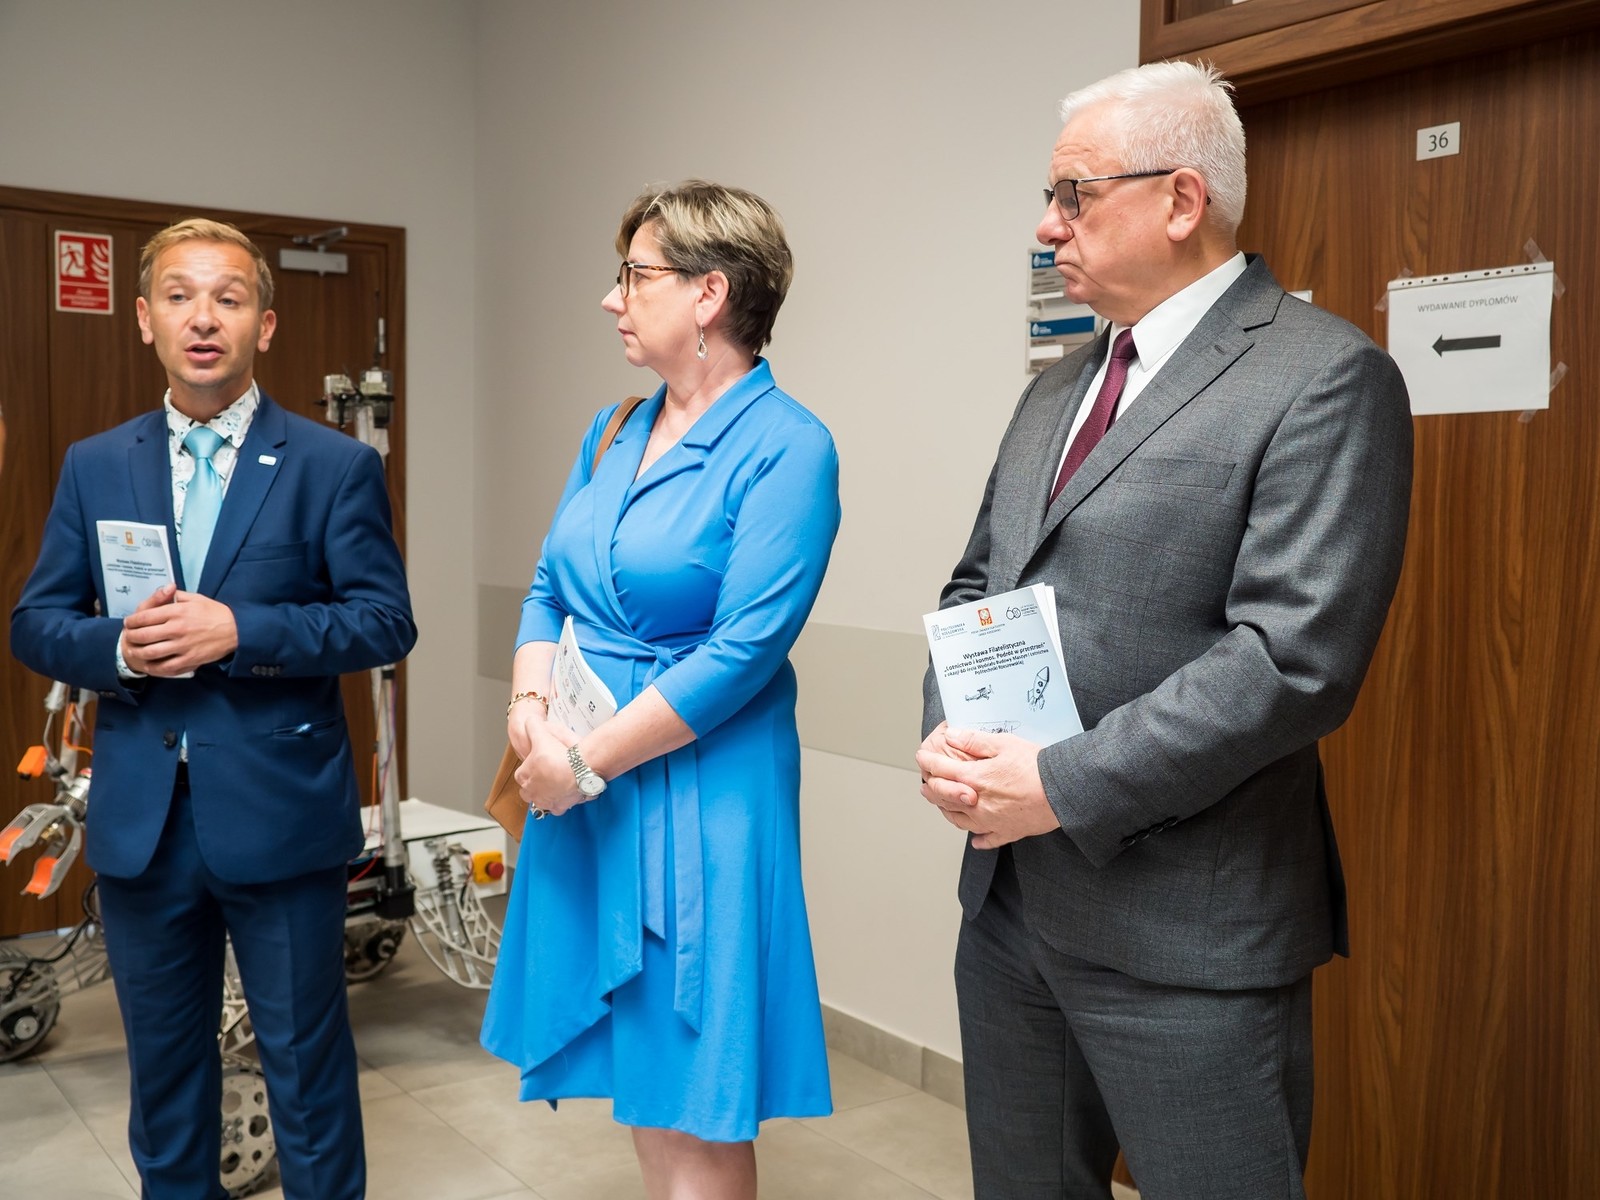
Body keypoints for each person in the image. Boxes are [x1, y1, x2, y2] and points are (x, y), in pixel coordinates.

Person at [917, 62, 1413, 1200]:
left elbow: (1291, 661)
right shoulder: (1057, 390)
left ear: (1182, 200)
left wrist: (1061, 784)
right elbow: (978, 582)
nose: (1048, 227)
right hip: (1010, 914)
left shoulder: (1323, 377)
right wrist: (954, 736)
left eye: (1074, 195)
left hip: (1188, 933)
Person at [10, 218, 416, 1200]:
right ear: (143, 319)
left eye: (228, 299)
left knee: (308, 1082)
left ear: (264, 325)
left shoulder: (332, 465)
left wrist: (243, 631)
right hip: (144, 826)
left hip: (282, 820)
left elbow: (383, 623)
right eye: (180, 297)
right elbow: (36, 622)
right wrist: (115, 649)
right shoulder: (95, 463)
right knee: (164, 1087)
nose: (204, 319)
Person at [480, 180, 840, 1199]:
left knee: (697, 1082)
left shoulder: (788, 447)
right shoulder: (613, 429)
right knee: (642, 1075)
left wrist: (581, 761)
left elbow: (742, 652)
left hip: (703, 785)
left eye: (635, 276)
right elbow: (549, 587)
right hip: (583, 771)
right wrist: (527, 713)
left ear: (709, 294)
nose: (613, 298)